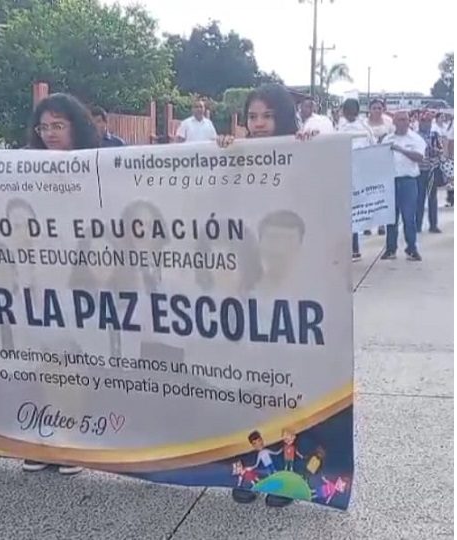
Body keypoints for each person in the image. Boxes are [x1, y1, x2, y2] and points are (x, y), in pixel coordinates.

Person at [215, 83, 306, 509]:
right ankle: (247, 471)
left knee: (283, 388)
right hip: (248, 285)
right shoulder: (237, 154)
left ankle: (284, 478)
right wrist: (222, 152)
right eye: (252, 117)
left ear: (282, 117)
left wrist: (310, 149)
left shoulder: (304, 151)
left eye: (266, 116)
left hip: (291, 289)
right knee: (245, 385)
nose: (258, 124)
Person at [23, 92, 99, 476]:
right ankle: (47, 433)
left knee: (71, 356)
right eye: (44, 127)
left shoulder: (101, 163)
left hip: (83, 275)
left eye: (58, 125)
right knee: (45, 357)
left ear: (75, 126)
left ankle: (73, 435)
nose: (50, 133)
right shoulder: (26, 166)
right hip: (41, 273)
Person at [382, 110, 426, 261]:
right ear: (394, 122)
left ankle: (411, 248)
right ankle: (390, 248)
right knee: (391, 217)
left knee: (408, 217)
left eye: (405, 120)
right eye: (399, 120)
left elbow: (419, 157)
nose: (403, 122)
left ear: (409, 121)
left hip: (408, 181)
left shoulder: (415, 139)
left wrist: (401, 150)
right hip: (391, 181)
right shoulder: (387, 139)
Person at [337, 98, 376, 261]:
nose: (350, 114)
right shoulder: (339, 127)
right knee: (346, 213)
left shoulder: (364, 128)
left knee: (356, 212)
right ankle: (351, 247)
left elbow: (372, 147)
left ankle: (354, 247)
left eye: (353, 111)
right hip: (343, 174)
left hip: (360, 175)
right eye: (348, 111)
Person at [364, 98, 394, 236]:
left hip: (384, 161)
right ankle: (367, 223)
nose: (377, 110)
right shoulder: (363, 124)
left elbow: (394, 137)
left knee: (382, 193)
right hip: (367, 161)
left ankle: (381, 224)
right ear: (369, 109)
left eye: (379, 108)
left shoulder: (388, 122)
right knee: (368, 193)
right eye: (374, 108)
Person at [415, 111, 443, 233]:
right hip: (419, 170)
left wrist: (434, 150)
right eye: (423, 121)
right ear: (419, 122)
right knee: (419, 198)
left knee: (432, 198)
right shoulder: (414, 135)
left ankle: (433, 225)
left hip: (432, 170)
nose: (425, 124)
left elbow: (441, 150)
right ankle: (418, 225)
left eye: (428, 121)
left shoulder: (435, 135)